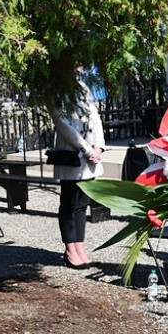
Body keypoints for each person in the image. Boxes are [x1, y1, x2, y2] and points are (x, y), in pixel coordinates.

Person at [51, 73, 106, 269]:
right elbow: (62, 125)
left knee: (83, 203)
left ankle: (80, 246)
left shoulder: (83, 85)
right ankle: (70, 248)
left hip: (90, 157)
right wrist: (87, 148)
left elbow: (95, 117)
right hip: (72, 156)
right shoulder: (56, 88)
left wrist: (99, 146)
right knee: (69, 202)